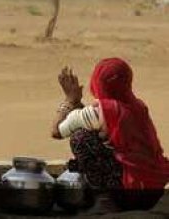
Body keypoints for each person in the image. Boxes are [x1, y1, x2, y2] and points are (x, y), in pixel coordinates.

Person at [51, 59, 169, 211]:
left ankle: (105, 199)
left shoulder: (97, 112)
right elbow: (91, 119)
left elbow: (57, 131)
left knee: (80, 137)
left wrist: (70, 100)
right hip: (152, 193)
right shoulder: (138, 108)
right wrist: (78, 105)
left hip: (126, 195)